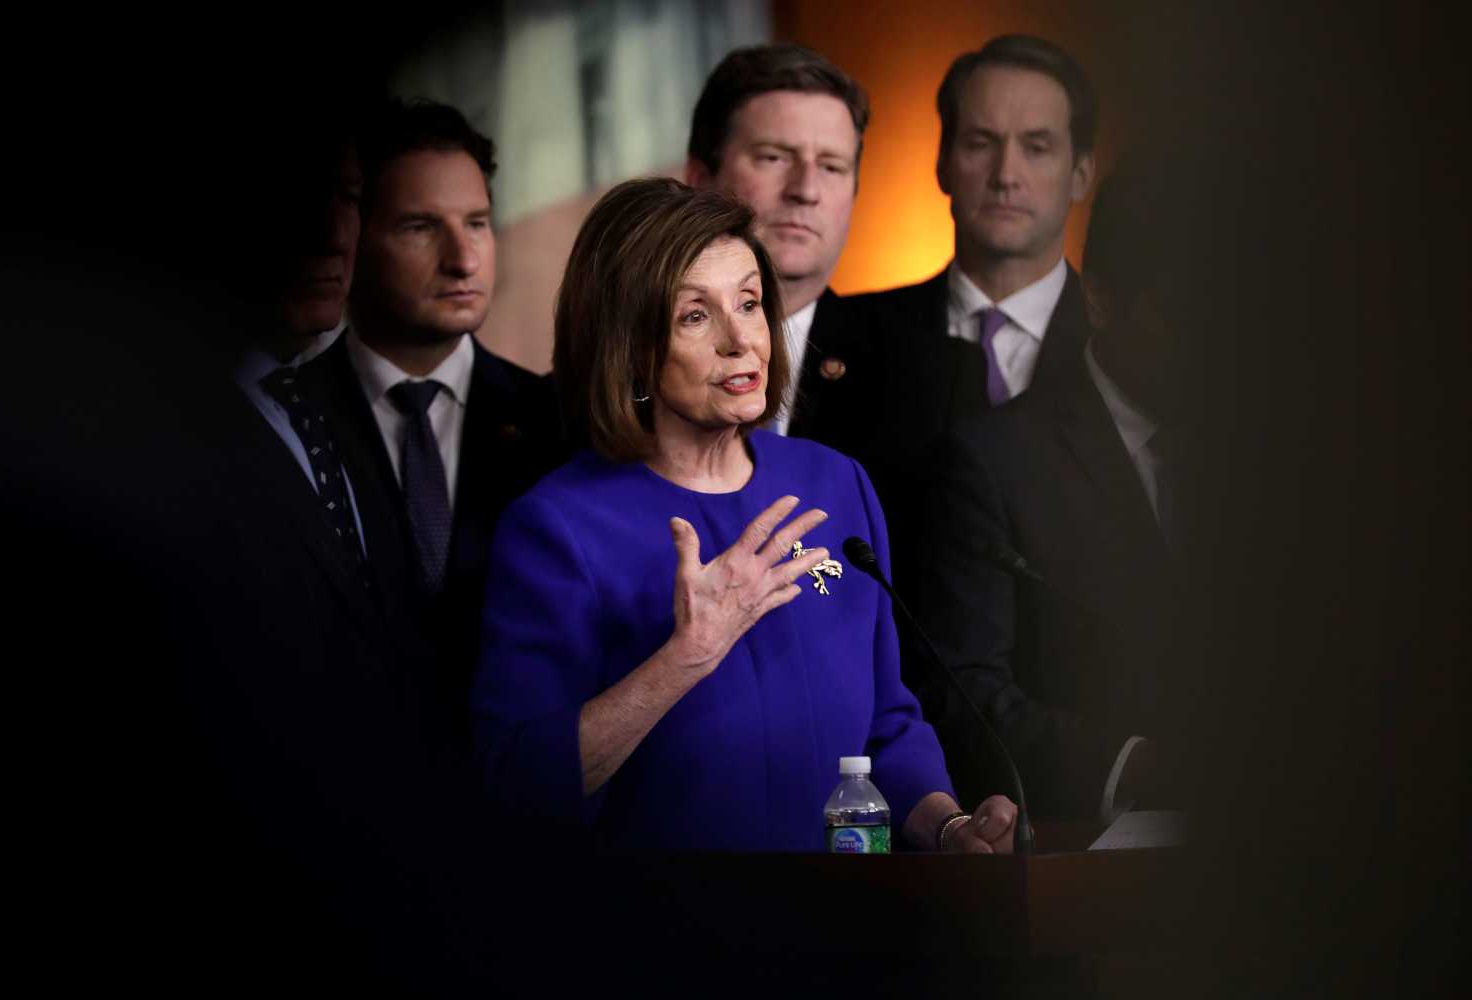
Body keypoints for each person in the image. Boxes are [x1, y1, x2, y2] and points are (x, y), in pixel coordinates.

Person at [471, 178, 1015, 853]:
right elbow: (516, 785)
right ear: (629, 347)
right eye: (694, 315)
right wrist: (686, 656)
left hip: (856, 930)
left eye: (750, 303)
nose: (740, 340)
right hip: (674, 937)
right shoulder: (557, 529)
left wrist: (948, 826)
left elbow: (885, 724)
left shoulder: (833, 482)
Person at [903, 157, 1201, 821]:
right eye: (1186, 316)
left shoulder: (1273, 451)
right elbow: (964, 688)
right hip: (1087, 861)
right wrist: (1136, 766)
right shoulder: (992, 461)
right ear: (1098, 300)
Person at [306, 98, 565, 730]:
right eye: (421, 226)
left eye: (477, 223)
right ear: (351, 233)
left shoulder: (561, 420)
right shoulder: (289, 414)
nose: (463, 259)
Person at [843, 34, 1099, 546]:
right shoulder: (848, 337)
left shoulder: (1126, 345)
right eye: (981, 143)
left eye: (1037, 147)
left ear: (1081, 174)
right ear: (942, 163)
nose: (1007, 175)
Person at [684, 44, 879, 448]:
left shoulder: (924, 376)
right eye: (773, 158)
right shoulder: (614, 369)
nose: (805, 190)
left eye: (831, 166)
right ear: (700, 179)